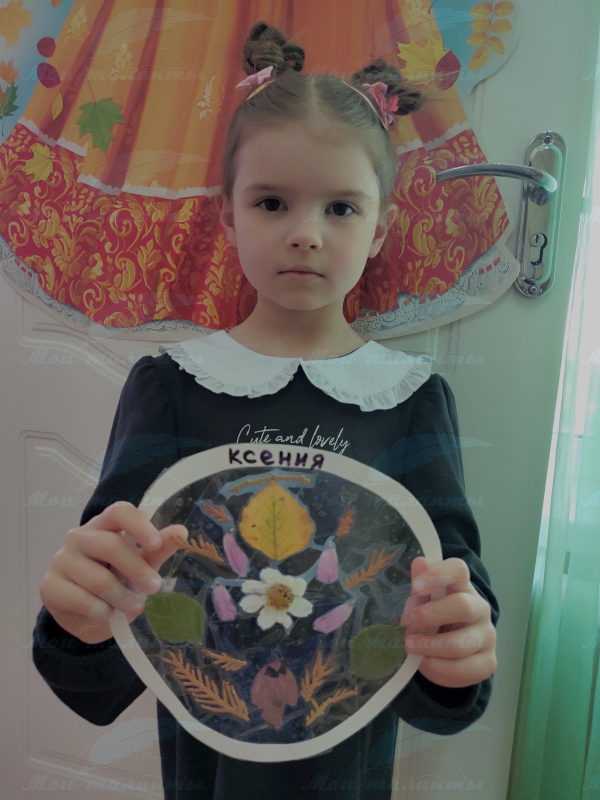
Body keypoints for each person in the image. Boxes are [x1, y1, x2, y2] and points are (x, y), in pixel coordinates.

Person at [32, 20, 499, 800]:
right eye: (273, 202)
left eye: (341, 208)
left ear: (381, 228)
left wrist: (460, 648)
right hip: (207, 773)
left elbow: (442, 625)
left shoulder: (413, 399)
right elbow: (108, 639)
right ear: (229, 215)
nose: (306, 235)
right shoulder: (172, 386)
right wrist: (79, 616)